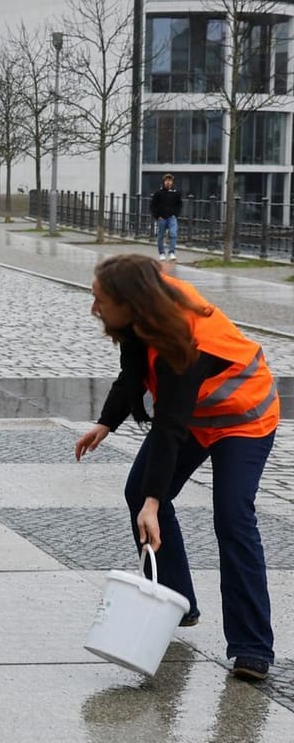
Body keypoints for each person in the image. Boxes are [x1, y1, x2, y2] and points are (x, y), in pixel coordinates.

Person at [75, 254, 277, 682]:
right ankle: (177, 600)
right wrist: (106, 423)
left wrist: (154, 501)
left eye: (99, 299)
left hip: (244, 419)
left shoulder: (184, 340)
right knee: (139, 491)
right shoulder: (145, 316)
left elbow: (170, 423)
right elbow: (132, 373)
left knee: (232, 516)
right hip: (195, 417)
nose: (93, 307)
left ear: (130, 301)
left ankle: (252, 647)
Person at [150, 174, 182, 260]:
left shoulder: (176, 193)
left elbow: (179, 204)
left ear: (172, 182)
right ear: (164, 182)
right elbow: (153, 206)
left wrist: (176, 214)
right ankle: (162, 253)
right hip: (162, 217)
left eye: (170, 181)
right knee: (161, 235)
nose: (168, 182)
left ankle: (172, 252)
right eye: (167, 181)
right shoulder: (158, 193)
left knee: (173, 234)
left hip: (172, 217)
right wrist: (157, 216)